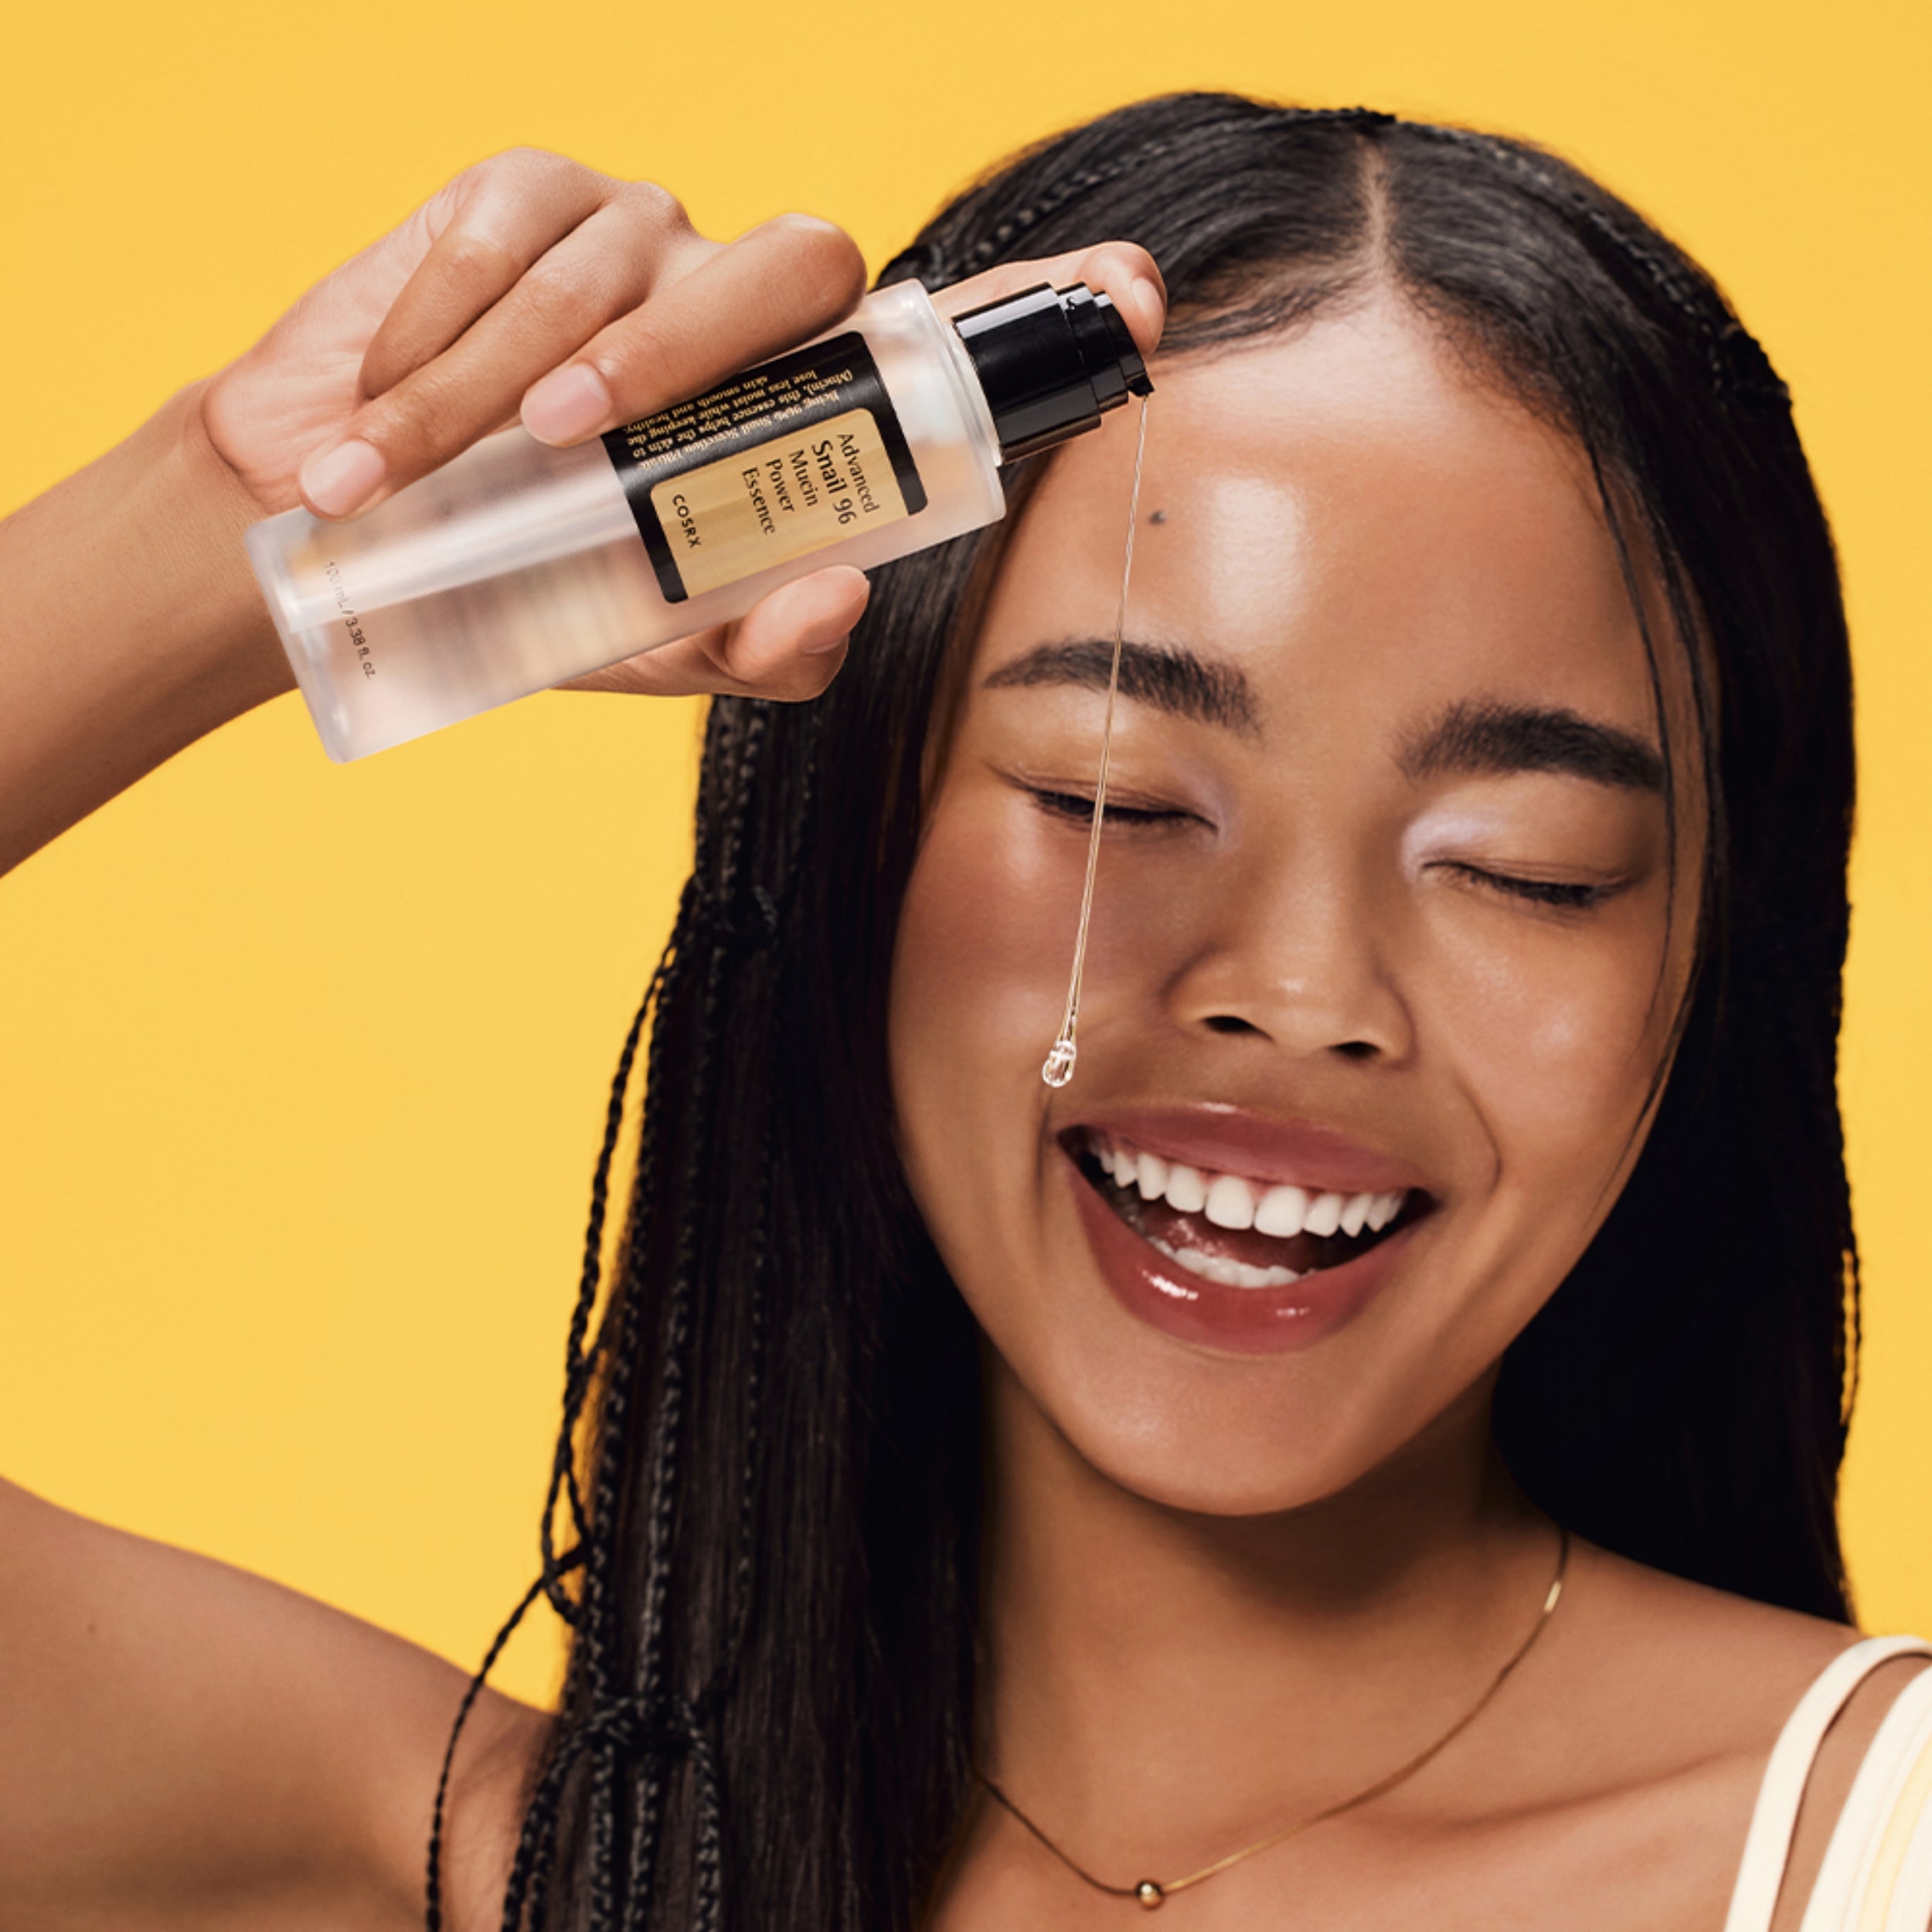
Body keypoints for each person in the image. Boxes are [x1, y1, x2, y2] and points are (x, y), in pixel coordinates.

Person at [0, 90, 1922, 1932]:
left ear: (1701, 966)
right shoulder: (504, 1865)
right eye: (1114, 802)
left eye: (1525, 863)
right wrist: (240, 527)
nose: (1301, 995)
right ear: (853, 847)